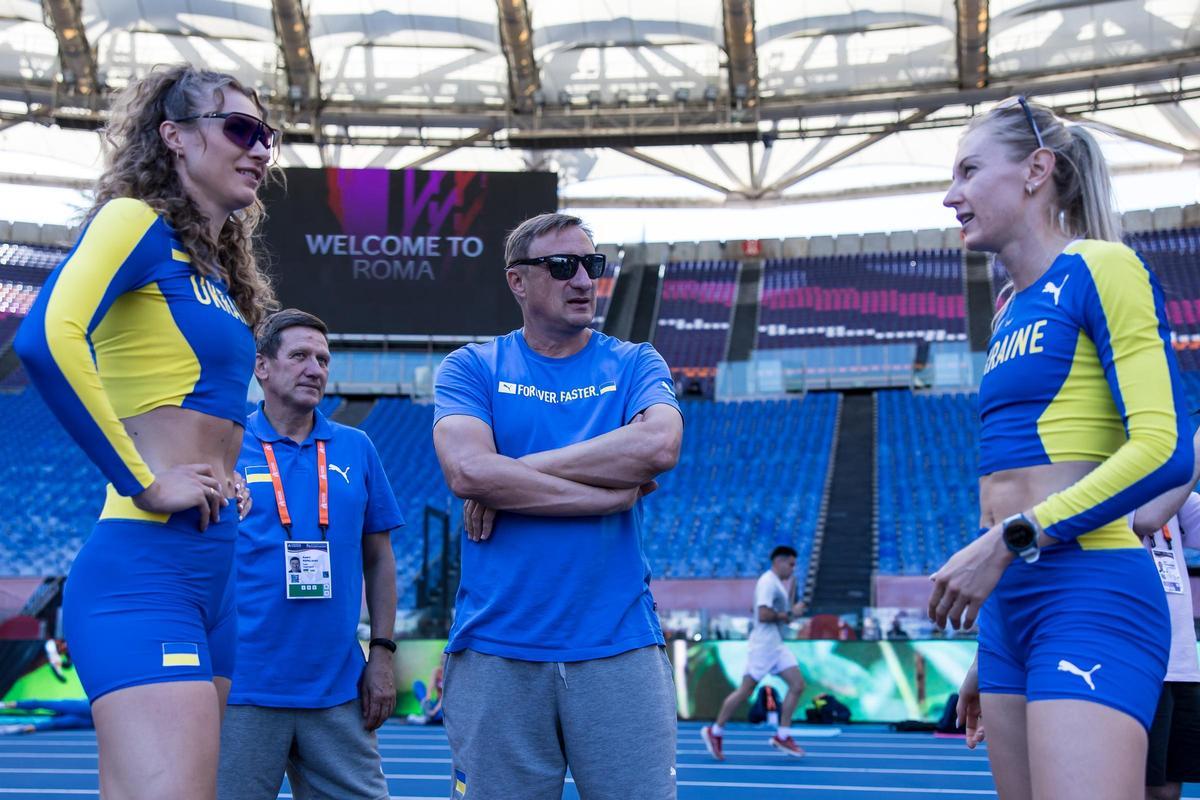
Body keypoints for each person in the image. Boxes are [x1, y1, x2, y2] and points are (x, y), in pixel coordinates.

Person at [13, 64, 274, 799]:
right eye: (240, 129)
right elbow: (46, 337)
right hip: (144, 571)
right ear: (175, 138)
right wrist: (147, 479)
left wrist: (235, 472)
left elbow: (199, 398)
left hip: (215, 578)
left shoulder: (216, 272)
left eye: (269, 136)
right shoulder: (135, 221)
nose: (260, 149)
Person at [933, 96, 1193, 800]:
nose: (950, 194)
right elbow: (1012, 483)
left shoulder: (1103, 270)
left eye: (968, 169)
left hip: (1091, 591)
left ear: (1036, 170)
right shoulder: (1009, 308)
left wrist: (1008, 542)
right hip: (1012, 612)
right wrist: (992, 651)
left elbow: (1167, 451)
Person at [433, 212, 684, 800]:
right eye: (562, 266)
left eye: (591, 266)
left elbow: (659, 445)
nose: (582, 280)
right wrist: (610, 495)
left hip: (618, 645)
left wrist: (511, 476)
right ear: (517, 281)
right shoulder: (471, 366)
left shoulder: (635, 362)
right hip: (497, 648)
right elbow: (467, 470)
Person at [217, 309, 404, 800]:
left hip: (338, 688)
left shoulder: (356, 447)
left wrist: (382, 653)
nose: (315, 368)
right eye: (299, 355)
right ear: (262, 366)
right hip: (241, 688)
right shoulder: (225, 445)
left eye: (323, 359)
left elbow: (380, 558)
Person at [1131, 428, 1200, 800]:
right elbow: (1143, 519)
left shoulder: (1173, 490)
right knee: (1139, 785)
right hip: (1142, 661)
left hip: (1182, 662)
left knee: (1169, 788)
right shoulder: (1116, 479)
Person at [701, 545, 807, 760]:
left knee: (797, 685)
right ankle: (715, 731)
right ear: (779, 561)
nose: (793, 569)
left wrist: (787, 612)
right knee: (745, 691)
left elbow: (756, 610)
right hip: (764, 646)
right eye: (791, 564)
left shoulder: (775, 584)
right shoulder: (768, 582)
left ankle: (783, 735)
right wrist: (790, 613)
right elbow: (763, 614)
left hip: (776, 645)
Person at [0, 699, 92, 734]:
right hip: (85, 707)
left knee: (55, 724)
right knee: (43, 704)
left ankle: (14, 729)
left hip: (92, 720)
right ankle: (3, 705)